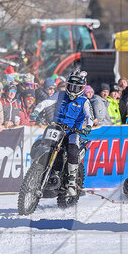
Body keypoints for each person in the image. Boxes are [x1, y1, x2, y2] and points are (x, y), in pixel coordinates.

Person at [50, 69, 94, 197]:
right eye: (71, 86)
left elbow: (90, 116)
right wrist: (38, 113)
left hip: (74, 132)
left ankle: (71, 183)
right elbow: (47, 103)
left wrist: (89, 126)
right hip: (58, 129)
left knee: (72, 151)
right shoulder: (61, 95)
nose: (73, 89)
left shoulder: (84, 100)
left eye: (77, 87)